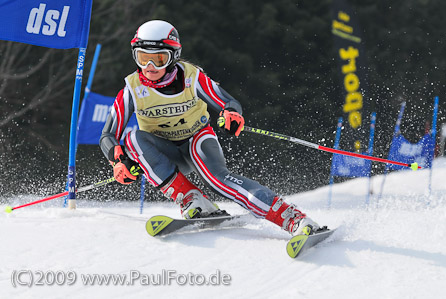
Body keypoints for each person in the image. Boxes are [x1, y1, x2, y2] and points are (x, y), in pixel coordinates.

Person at [99, 20, 320, 236]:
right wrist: (118, 161)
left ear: (173, 56)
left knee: (218, 180)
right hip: (166, 154)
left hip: (198, 142)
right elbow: (108, 135)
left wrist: (231, 113)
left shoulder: (192, 77)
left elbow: (227, 101)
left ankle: (291, 218)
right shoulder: (131, 90)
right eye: (143, 58)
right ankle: (190, 198)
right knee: (131, 139)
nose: (149, 67)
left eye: (159, 59)